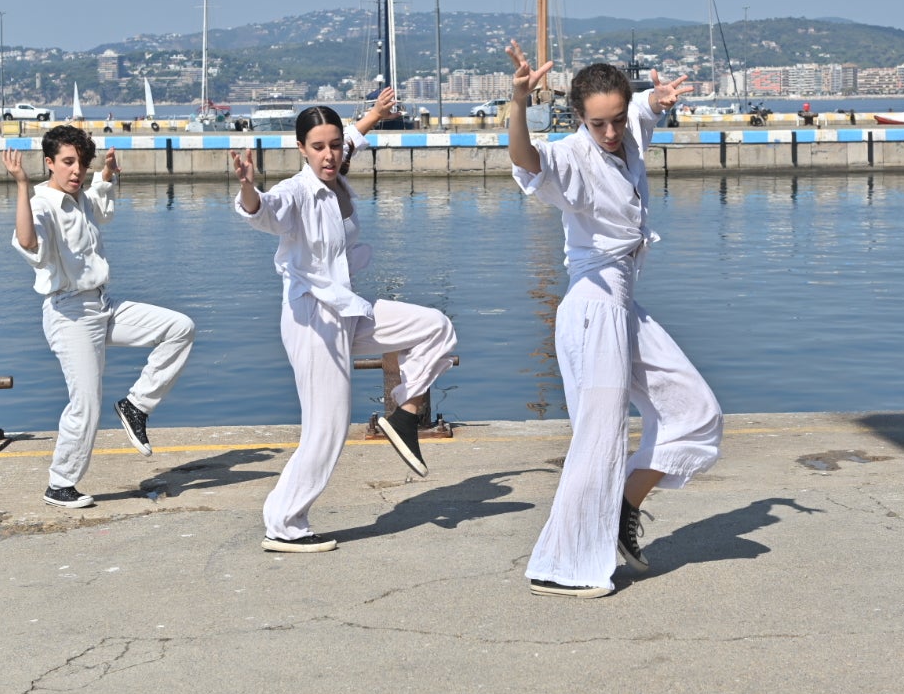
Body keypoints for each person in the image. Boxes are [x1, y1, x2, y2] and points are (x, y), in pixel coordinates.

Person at [507, 43, 724, 597]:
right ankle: (561, 565)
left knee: (695, 412)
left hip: (624, 304)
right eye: (597, 123)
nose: (609, 132)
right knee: (598, 439)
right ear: (580, 118)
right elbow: (528, 160)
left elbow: (646, 108)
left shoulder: (630, 132)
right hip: (592, 306)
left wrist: (660, 97)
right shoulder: (573, 157)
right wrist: (517, 100)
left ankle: (622, 510)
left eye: (616, 120)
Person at [232, 89, 457, 552]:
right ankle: (284, 523)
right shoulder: (296, 192)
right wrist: (247, 187)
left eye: (333, 144)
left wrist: (374, 114)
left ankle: (404, 414)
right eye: (318, 147)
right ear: (301, 149)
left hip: (348, 308)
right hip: (313, 319)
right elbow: (263, 213)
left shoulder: (337, 168)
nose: (330, 154)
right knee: (327, 429)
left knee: (435, 326)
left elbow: (353, 137)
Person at [6, 124, 196, 509]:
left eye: (82, 162)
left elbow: (99, 202)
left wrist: (106, 174)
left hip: (103, 305)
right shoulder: (41, 203)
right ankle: (60, 483)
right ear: (49, 163)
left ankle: (136, 406)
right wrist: (22, 185)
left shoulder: (79, 198)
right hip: (70, 314)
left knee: (180, 328)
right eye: (68, 162)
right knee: (86, 402)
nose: (76, 170)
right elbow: (28, 242)